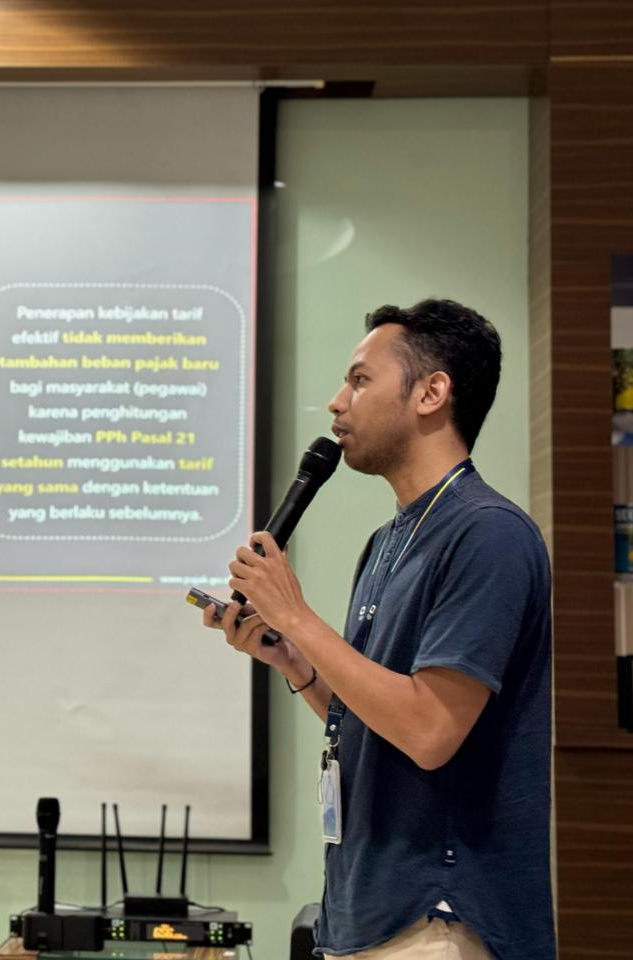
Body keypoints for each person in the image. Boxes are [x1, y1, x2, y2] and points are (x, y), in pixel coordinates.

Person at [205, 299, 554, 959]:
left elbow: (429, 731)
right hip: (367, 914)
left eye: (360, 380)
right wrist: (295, 660)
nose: (337, 402)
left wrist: (297, 615)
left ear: (431, 392)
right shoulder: (390, 539)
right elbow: (376, 720)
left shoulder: (488, 535)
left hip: (439, 919)